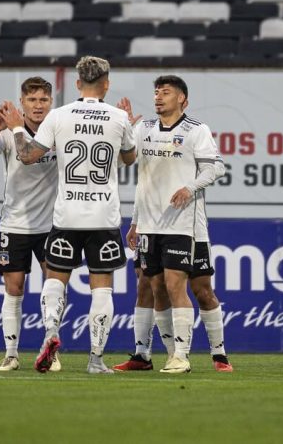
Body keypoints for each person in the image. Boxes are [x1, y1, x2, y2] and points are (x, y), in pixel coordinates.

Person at [0, 56, 136, 374]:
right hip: (103, 216)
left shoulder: (59, 116)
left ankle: (50, 333)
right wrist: (126, 128)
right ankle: (95, 359)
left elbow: (27, 155)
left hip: (66, 217)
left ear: (77, 84)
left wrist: (17, 127)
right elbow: (129, 159)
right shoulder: (118, 117)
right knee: (101, 287)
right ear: (106, 84)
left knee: (55, 280)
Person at [119, 75, 228, 374]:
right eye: (156, 92)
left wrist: (190, 188)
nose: (158, 97)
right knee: (150, 285)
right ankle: (149, 355)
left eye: (166, 92)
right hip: (149, 225)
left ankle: (210, 355)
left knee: (195, 288)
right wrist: (135, 221)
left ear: (182, 99)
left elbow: (216, 167)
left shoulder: (196, 130)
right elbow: (135, 173)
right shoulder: (144, 128)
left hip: (184, 224)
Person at [0, 76, 59, 372]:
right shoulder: (10, 132)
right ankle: (11, 354)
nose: (38, 106)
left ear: (51, 102)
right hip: (15, 223)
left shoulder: (57, 129)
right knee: (14, 287)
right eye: (33, 100)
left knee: (54, 284)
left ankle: (52, 345)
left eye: (44, 100)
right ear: (22, 102)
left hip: (51, 224)